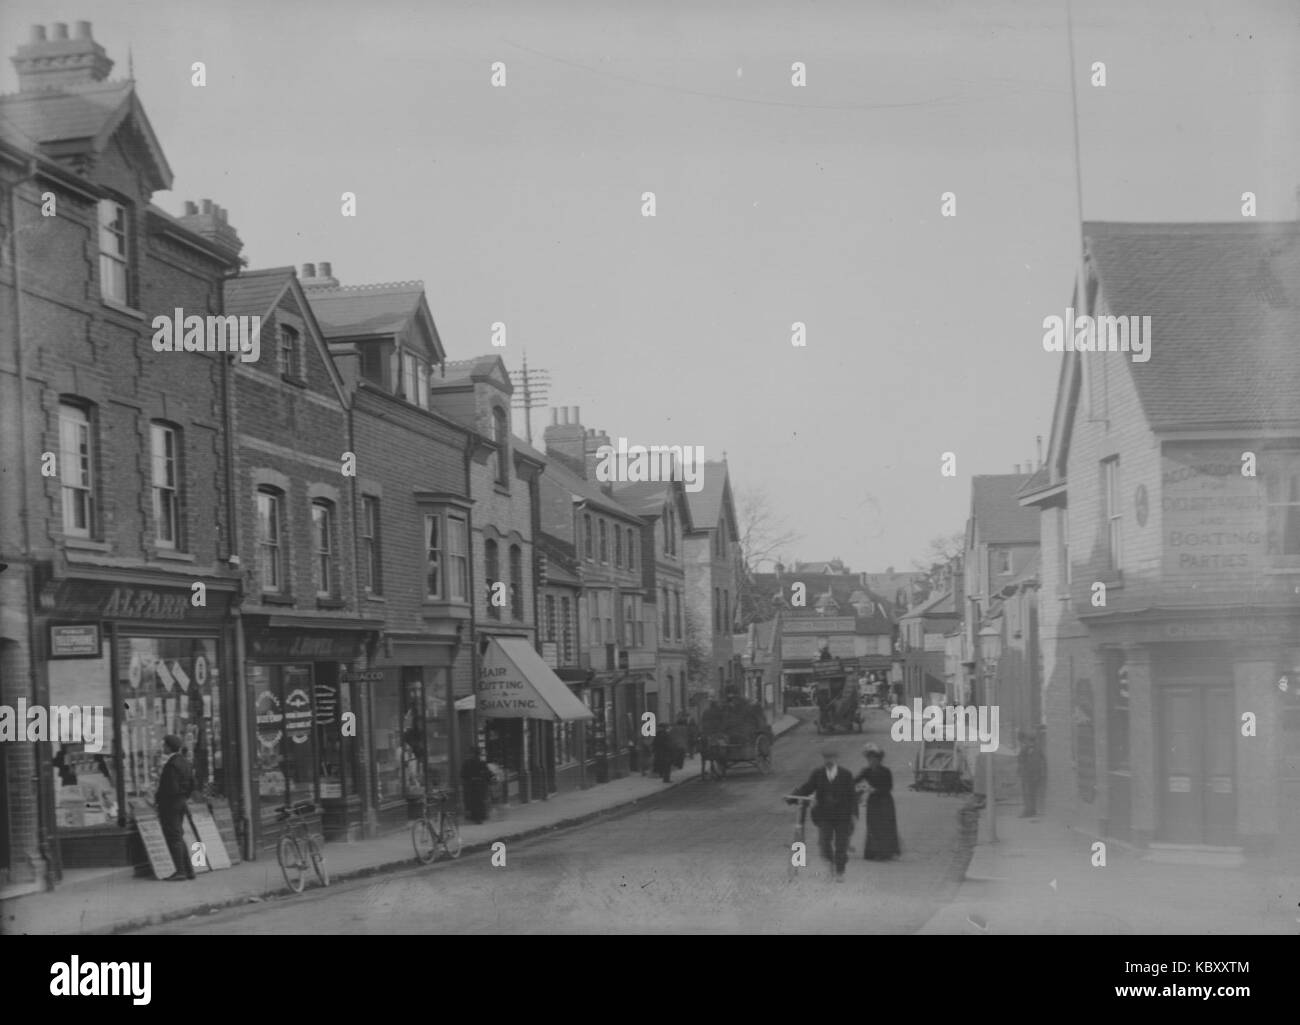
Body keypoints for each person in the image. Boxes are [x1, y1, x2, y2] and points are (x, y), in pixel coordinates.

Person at [789, 746, 859, 881]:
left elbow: (852, 796)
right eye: (826, 758)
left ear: (836, 758)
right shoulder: (818, 774)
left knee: (841, 844)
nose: (829, 760)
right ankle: (831, 862)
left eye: (831, 757)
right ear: (824, 759)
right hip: (824, 815)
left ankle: (839, 871)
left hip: (842, 815)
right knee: (824, 842)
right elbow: (807, 788)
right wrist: (792, 797)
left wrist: (853, 814)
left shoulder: (846, 774)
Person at [155, 734, 196, 881]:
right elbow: (192, 784)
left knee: (173, 836)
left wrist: (159, 799)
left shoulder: (171, 764)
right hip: (181, 802)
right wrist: (184, 797)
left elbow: (170, 787)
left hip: (171, 804)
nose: (162, 747)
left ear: (168, 746)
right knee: (178, 835)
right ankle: (188, 870)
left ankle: (180, 871)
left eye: (164, 745)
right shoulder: (185, 762)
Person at [855, 743, 900, 860]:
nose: (871, 761)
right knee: (872, 826)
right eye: (869, 759)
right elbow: (854, 780)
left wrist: (875, 790)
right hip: (873, 802)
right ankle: (872, 852)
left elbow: (889, 787)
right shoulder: (867, 771)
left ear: (879, 760)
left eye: (874, 759)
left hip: (885, 801)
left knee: (884, 826)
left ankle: (884, 853)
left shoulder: (886, 771)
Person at [1018, 730, 1045, 818]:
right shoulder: (1035, 748)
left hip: (1029, 775)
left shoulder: (1029, 749)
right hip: (1032, 774)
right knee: (1031, 793)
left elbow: (1022, 760)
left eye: (1029, 740)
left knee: (1028, 793)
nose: (1028, 742)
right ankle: (1032, 810)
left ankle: (1028, 811)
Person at [460, 747, 491, 824]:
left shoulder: (466, 763)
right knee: (479, 801)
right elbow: (488, 774)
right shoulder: (482, 763)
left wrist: (468, 780)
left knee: (472, 801)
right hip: (480, 785)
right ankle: (479, 817)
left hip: (471, 785)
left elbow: (462, 775)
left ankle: (475, 817)